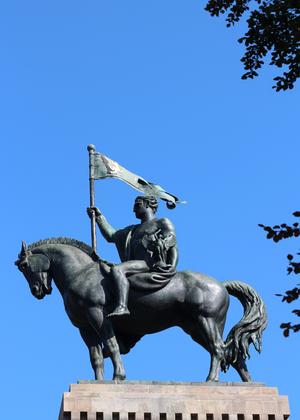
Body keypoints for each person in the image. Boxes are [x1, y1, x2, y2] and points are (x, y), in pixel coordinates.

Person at [87, 196, 178, 317]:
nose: (133, 209)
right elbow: (111, 235)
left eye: (137, 205)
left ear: (147, 204)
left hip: (149, 263)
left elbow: (171, 241)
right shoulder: (132, 230)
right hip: (137, 263)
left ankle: (122, 306)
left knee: (118, 269)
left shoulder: (162, 222)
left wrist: (169, 261)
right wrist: (99, 217)